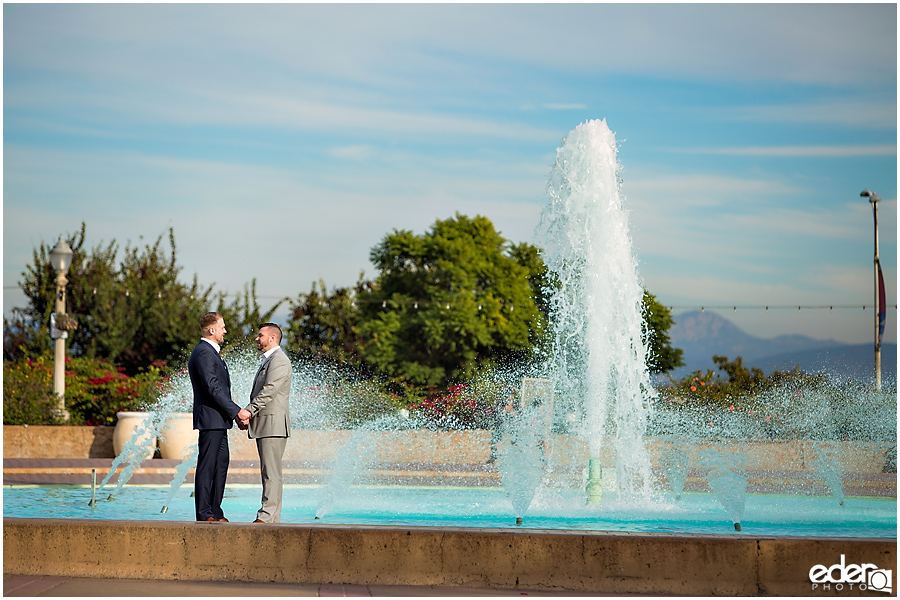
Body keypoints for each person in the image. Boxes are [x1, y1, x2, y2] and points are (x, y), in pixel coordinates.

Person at [188, 311, 250, 523]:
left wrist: (231, 414)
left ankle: (215, 511)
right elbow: (212, 388)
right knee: (208, 465)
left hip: (218, 420)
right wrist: (236, 411)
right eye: (222, 327)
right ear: (211, 330)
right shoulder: (204, 352)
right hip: (211, 419)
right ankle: (204, 513)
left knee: (220, 463)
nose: (225, 331)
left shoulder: (210, 352)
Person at [241, 322, 292, 523]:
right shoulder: (269, 360)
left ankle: (266, 516)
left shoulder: (279, 360)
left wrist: (248, 411)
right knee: (270, 472)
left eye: (260, 335)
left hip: (273, 425)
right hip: (267, 424)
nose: (256, 338)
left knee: (271, 473)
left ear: (272, 338)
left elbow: (269, 390)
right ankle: (272, 518)